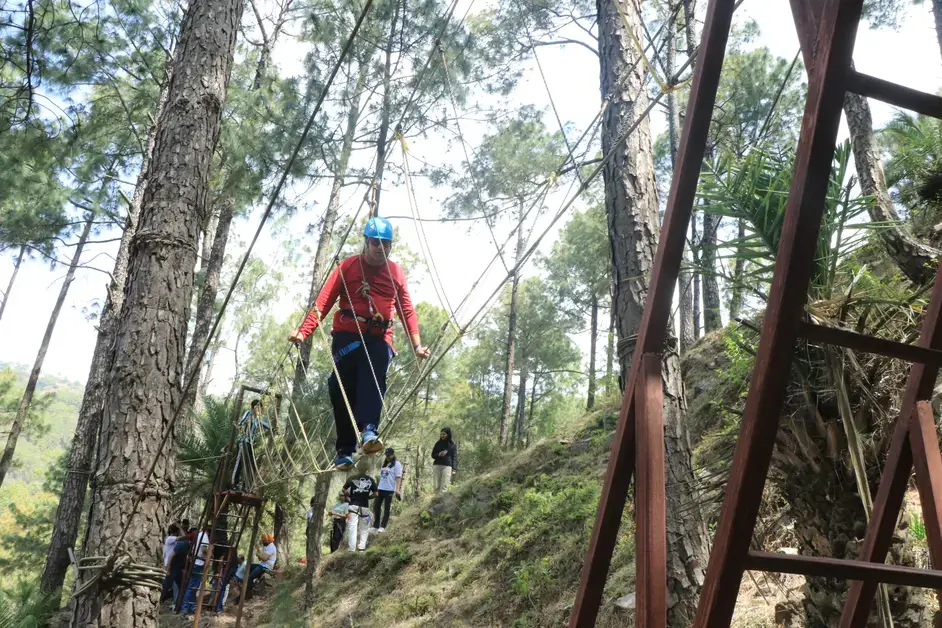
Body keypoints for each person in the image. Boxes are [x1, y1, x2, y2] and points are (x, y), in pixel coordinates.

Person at [288, 216, 431, 471]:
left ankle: (369, 431)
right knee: (340, 387)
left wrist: (417, 345)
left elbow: (406, 309)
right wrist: (303, 332)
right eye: (376, 242)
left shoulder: (395, 273)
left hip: (379, 337)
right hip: (347, 336)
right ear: (366, 242)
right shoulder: (347, 267)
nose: (381, 248)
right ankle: (344, 449)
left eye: (386, 244)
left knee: (373, 373)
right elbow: (323, 303)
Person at [231, 399, 271, 490]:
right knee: (240, 462)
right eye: (258, 408)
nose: (260, 410)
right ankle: (234, 484)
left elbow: (266, 425)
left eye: (260, 408)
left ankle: (246, 486)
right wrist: (239, 425)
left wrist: (273, 428)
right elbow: (241, 423)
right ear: (254, 407)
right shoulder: (248, 414)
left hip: (250, 444)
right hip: (243, 441)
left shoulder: (258, 419)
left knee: (251, 465)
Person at [343, 461, 377, 551]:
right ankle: (362, 548)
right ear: (366, 469)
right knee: (364, 528)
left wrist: (350, 495)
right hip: (364, 506)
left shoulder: (352, 478)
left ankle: (352, 549)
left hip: (353, 506)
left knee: (352, 528)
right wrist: (367, 497)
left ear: (358, 468)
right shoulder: (371, 480)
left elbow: (343, 490)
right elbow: (376, 493)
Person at [179, 524, 212, 615]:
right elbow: (204, 549)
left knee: (193, 587)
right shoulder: (204, 536)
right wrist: (208, 559)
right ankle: (185, 608)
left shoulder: (199, 535)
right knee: (192, 587)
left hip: (195, 562)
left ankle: (192, 607)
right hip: (199, 563)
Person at [373, 448, 403, 532]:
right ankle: (375, 526)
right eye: (386, 455)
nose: (388, 457)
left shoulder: (397, 464)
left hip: (389, 489)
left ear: (393, 455)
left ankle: (383, 526)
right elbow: (382, 476)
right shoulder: (384, 463)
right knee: (376, 506)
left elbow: (398, 477)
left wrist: (397, 489)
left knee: (387, 507)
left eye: (389, 455)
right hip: (380, 488)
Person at [431, 427, 458, 493]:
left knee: (445, 484)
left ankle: (442, 500)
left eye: (444, 434)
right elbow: (433, 455)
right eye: (441, 434)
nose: (442, 436)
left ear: (448, 435)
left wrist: (454, 469)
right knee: (436, 484)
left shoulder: (452, 445)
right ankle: (435, 499)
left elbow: (454, 457)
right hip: (437, 465)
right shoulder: (438, 443)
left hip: (447, 466)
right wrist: (438, 454)